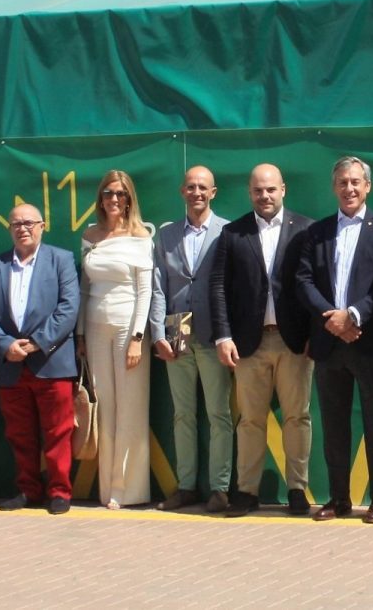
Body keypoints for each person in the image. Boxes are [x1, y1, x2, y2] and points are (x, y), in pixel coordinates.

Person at [293, 156, 373, 523]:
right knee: (335, 424)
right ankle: (339, 498)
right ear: (334, 187)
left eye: (356, 182)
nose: (349, 188)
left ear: (367, 186)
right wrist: (333, 318)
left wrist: (354, 315)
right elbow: (303, 280)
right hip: (329, 342)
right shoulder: (317, 231)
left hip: (369, 339)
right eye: (343, 182)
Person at [209, 163, 315, 517]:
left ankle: (297, 489)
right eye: (258, 190)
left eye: (271, 189)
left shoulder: (306, 229)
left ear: (283, 189)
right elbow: (219, 287)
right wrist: (223, 336)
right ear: (249, 193)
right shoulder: (232, 233)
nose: (265, 196)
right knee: (250, 420)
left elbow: (317, 285)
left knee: (297, 417)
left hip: (294, 342)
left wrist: (315, 334)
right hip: (248, 343)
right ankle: (246, 492)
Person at [0, 203, 81, 515]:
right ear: (9, 229)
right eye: (16, 224)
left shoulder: (61, 260)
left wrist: (37, 343)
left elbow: (68, 308)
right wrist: (5, 345)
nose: (22, 229)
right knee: (19, 434)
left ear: (42, 226)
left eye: (29, 223)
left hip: (51, 361)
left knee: (58, 431)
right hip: (10, 364)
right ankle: (27, 489)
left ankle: (59, 491)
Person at [152, 166, 235, 513]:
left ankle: (220, 489)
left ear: (213, 192)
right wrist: (158, 334)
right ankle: (186, 487)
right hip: (177, 334)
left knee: (218, 414)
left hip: (215, 334)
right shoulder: (166, 235)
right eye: (190, 187)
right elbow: (158, 287)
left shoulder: (228, 231)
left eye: (203, 187)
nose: (196, 192)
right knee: (183, 414)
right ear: (182, 192)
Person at [81, 170, 158, 509]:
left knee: (130, 408)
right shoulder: (90, 236)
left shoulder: (141, 236)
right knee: (105, 407)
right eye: (109, 193)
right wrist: (80, 334)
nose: (114, 199)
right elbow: (84, 290)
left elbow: (145, 291)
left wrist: (138, 337)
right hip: (95, 328)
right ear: (100, 198)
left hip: (129, 327)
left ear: (129, 199)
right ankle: (106, 487)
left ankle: (127, 489)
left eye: (121, 194)